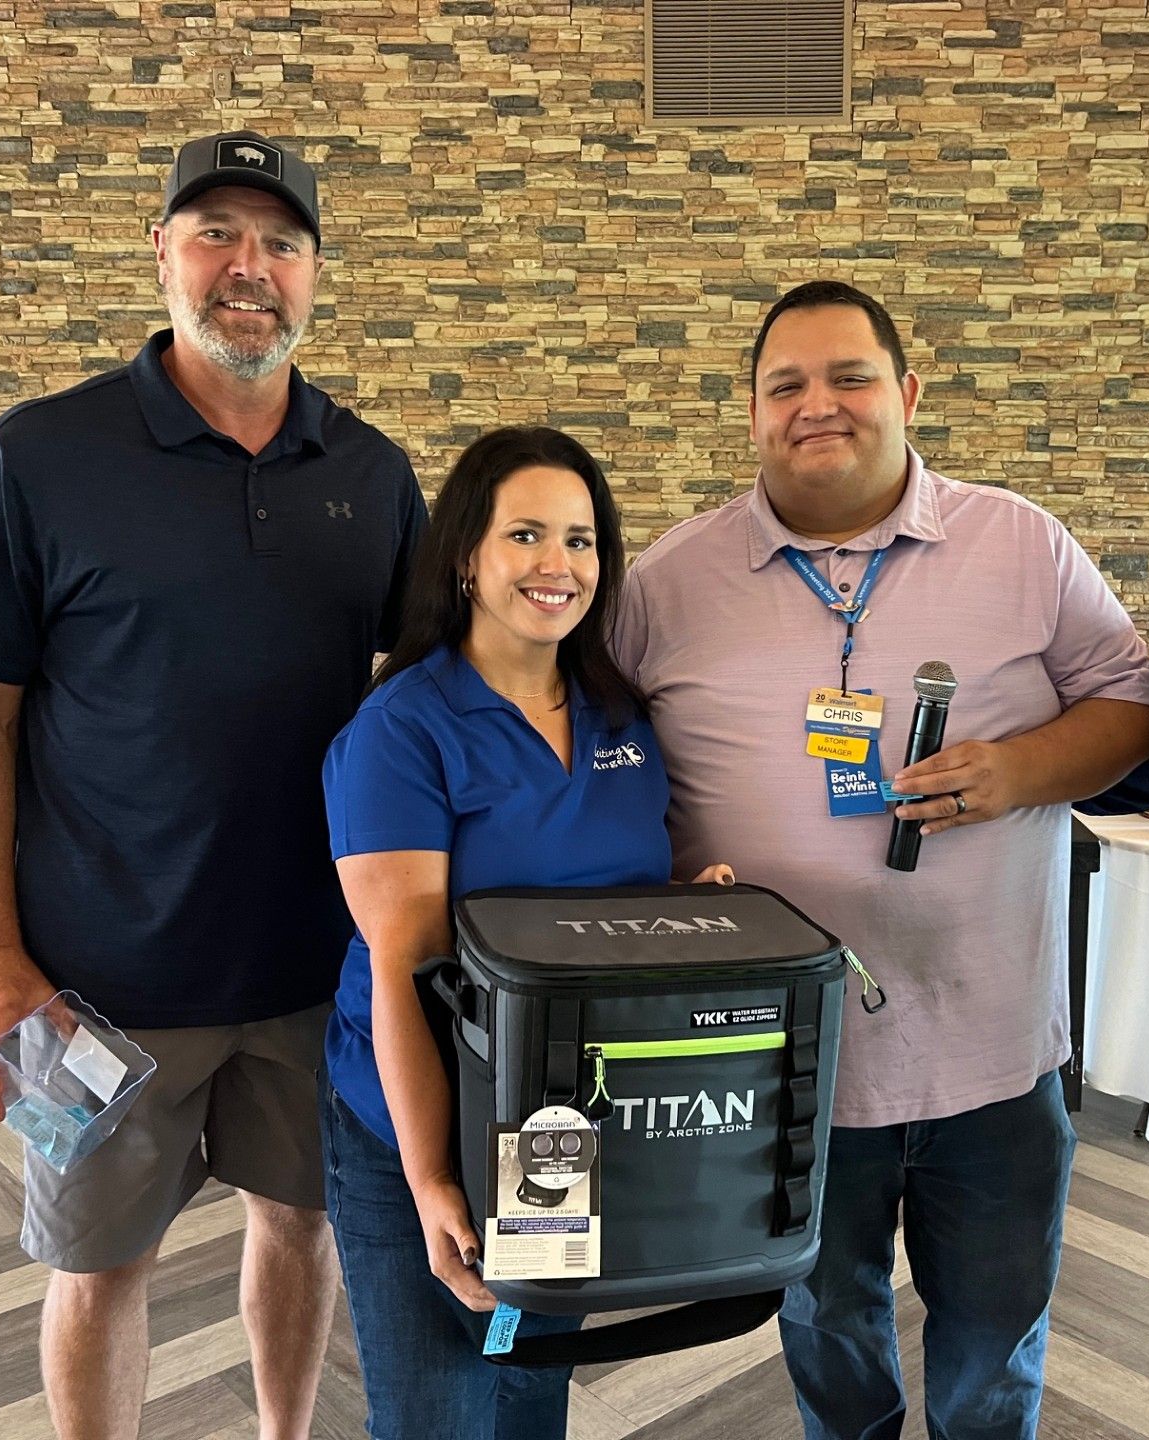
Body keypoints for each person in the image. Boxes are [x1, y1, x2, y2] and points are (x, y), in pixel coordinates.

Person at [0, 131, 427, 1440]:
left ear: (315, 274)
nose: (249, 267)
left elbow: (427, 701)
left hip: (314, 975)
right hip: (84, 985)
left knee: (301, 1226)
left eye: (281, 243)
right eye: (216, 235)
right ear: (162, 255)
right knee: (94, 1268)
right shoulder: (36, 457)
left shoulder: (371, 475)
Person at [613, 280, 1149, 1440]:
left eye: (850, 377)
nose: (819, 404)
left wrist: (1020, 769)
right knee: (827, 1329)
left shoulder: (1022, 544)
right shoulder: (666, 583)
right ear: (752, 414)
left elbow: (1133, 705)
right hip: (783, 1059)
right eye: (786, 385)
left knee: (994, 1347)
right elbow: (602, 767)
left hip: (994, 1051)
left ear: (908, 394)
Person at [319, 427, 731, 1438]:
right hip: (420, 1117)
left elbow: (605, 898)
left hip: (557, 1124)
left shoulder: (619, 716)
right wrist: (430, 1183)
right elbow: (405, 965)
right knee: (437, 1417)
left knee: (530, 1387)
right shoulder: (403, 728)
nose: (559, 564)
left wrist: (688, 902)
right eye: (527, 535)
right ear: (466, 554)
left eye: (581, 541)